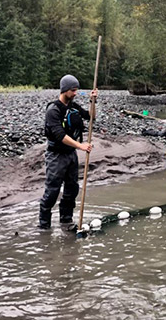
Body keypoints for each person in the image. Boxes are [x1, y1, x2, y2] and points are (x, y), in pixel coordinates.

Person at [39, 74, 98, 229]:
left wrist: (93, 101)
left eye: (76, 90)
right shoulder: (53, 110)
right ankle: (44, 226)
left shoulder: (73, 106)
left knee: (72, 189)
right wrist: (81, 146)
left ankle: (66, 220)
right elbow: (59, 135)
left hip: (70, 155)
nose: (75, 93)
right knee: (52, 191)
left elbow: (91, 117)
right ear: (64, 90)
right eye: (72, 90)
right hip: (56, 156)